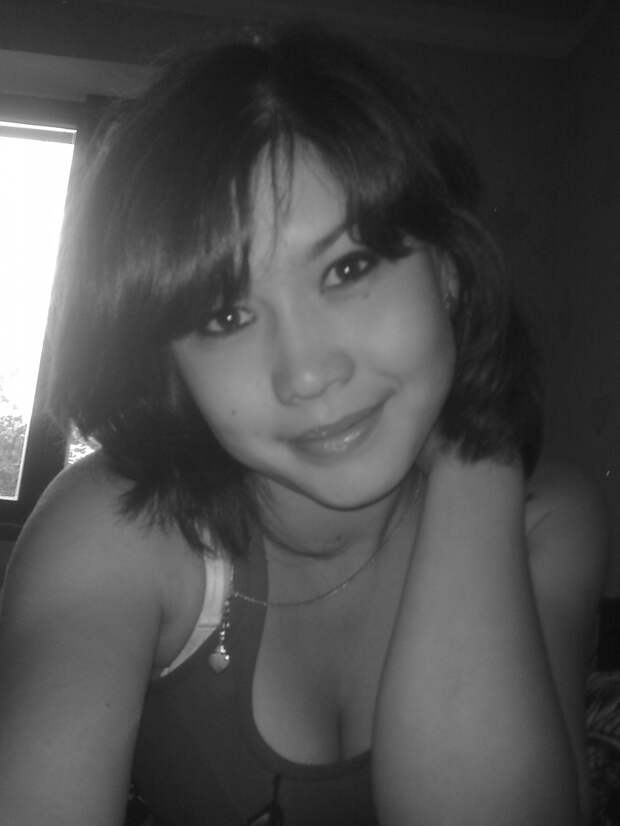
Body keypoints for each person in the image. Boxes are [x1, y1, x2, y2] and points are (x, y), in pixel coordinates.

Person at [0, 24, 609, 826]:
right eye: (224, 316)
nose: (307, 374)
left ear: (450, 269)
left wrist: (479, 446)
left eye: (348, 269)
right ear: (171, 364)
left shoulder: (546, 522)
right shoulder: (118, 528)